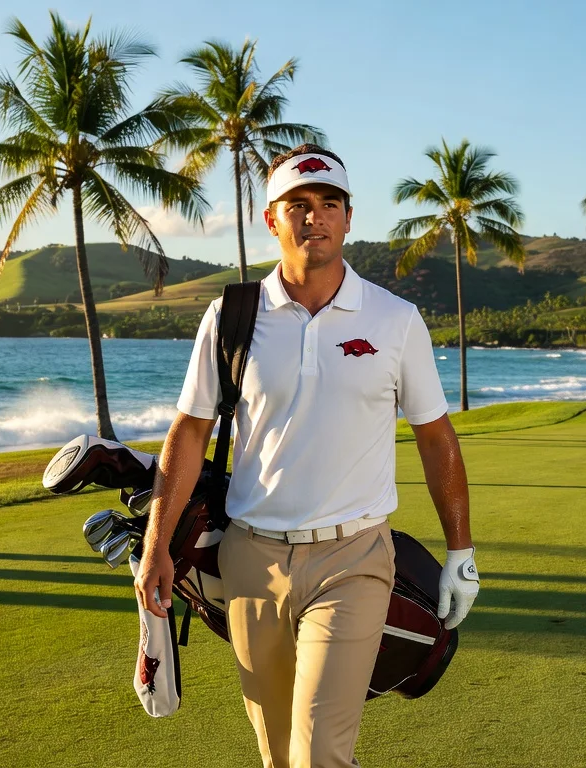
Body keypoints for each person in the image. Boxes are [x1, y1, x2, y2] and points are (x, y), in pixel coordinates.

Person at [134, 143, 480, 768]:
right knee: (278, 751)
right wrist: (157, 545)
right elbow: (188, 432)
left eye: (328, 203)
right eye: (297, 204)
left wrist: (462, 552)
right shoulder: (231, 316)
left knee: (320, 753)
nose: (313, 217)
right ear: (273, 219)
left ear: (349, 218)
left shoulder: (395, 320)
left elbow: (435, 436)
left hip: (354, 559)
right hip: (250, 560)